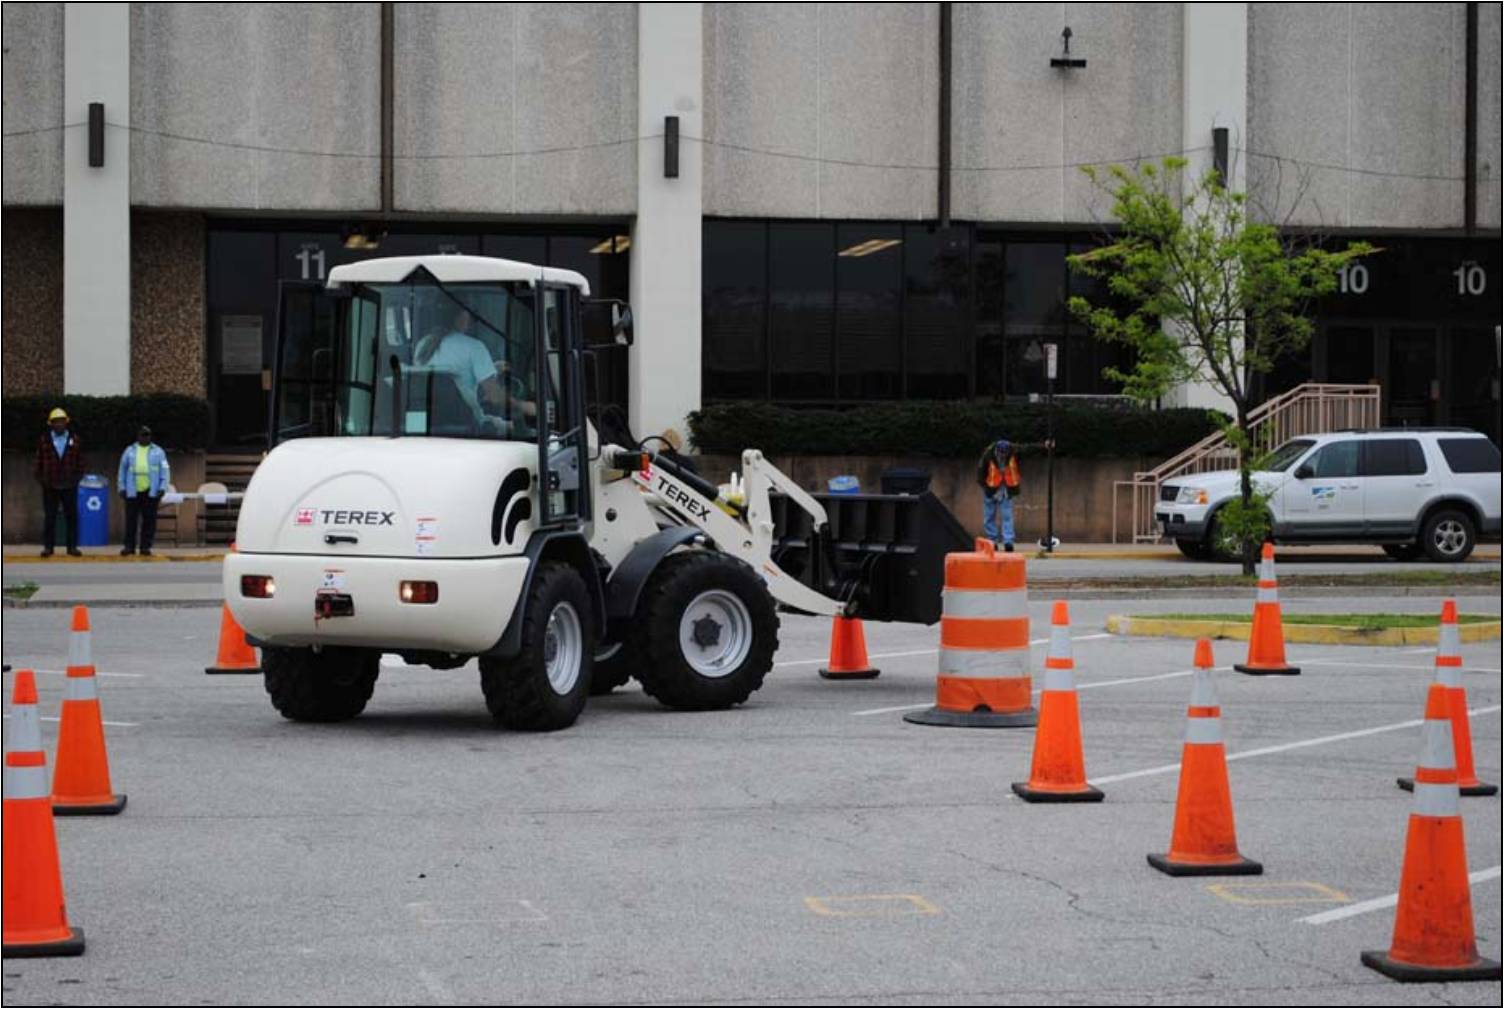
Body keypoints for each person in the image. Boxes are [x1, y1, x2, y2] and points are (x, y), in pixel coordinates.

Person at [975, 437, 1053, 552]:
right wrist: (985, 487)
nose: (1003, 457)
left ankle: (1008, 542)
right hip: (991, 489)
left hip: (1006, 488)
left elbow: (1028, 449)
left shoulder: (1013, 450)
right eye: (1001, 454)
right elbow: (981, 472)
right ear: (996, 450)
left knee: (1007, 516)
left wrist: (1043, 446)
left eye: (1005, 454)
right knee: (989, 517)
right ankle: (992, 541)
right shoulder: (988, 454)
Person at [33, 407, 83, 557]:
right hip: (51, 485)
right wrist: (43, 481)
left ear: (66, 423)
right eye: (56, 422)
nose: (59, 425)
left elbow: (81, 462)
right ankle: (48, 547)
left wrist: (76, 479)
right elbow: (38, 462)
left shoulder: (75, 439)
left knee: (71, 517)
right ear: (51, 424)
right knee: (50, 517)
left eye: (61, 422)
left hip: (69, 485)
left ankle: (72, 547)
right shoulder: (44, 440)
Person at [116, 425, 171, 556]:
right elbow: (122, 470)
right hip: (132, 490)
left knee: (149, 520)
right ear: (138, 436)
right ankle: (129, 546)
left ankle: (145, 546)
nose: (145, 437)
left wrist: (163, 487)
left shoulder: (158, 451)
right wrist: (122, 487)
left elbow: (165, 470)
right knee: (131, 520)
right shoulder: (129, 451)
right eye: (142, 435)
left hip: (151, 491)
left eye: (147, 435)